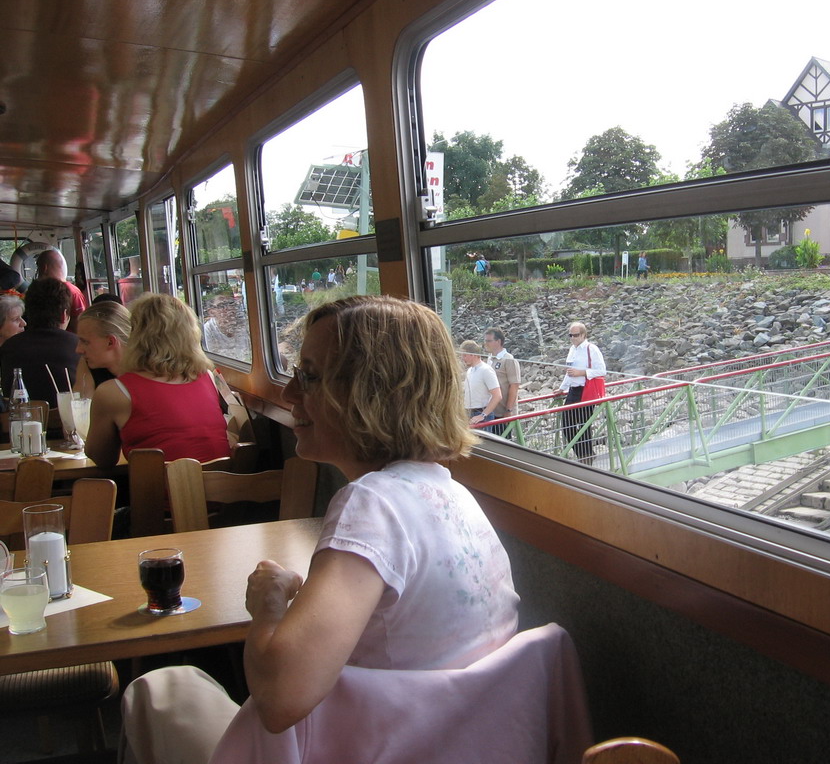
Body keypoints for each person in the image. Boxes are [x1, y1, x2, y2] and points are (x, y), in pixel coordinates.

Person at [120, 295, 519, 763]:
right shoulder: (455, 495)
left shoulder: (372, 503)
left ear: (371, 393)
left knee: (159, 686)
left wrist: (267, 604)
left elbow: (278, 699)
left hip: (365, 747)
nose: (290, 394)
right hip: (442, 742)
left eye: (309, 376)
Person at [85, 293, 231, 468]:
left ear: (136, 335)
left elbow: (102, 459)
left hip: (160, 486)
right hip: (224, 484)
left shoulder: (113, 392)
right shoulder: (208, 377)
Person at [0, 278, 79, 407]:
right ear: (64, 315)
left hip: (19, 418)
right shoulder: (79, 346)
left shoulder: (8, 348)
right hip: (68, 418)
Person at [558, 321, 606, 465]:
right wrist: (561, 388)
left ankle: (586, 458)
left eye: (576, 335)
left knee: (584, 426)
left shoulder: (592, 349)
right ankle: (586, 455)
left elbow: (602, 371)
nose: (573, 338)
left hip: (586, 390)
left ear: (584, 335)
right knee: (567, 425)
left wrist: (582, 372)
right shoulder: (572, 350)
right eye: (570, 335)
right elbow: (569, 372)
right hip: (573, 390)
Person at [73, 300, 131, 399]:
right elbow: (82, 404)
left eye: (85, 342)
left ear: (110, 342)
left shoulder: (146, 370)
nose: (78, 350)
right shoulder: (88, 364)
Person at [34, 246, 87, 332]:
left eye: (38, 267)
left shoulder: (37, 291)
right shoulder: (74, 292)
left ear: (44, 268)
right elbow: (79, 325)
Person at [483, 327, 521, 435]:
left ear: (498, 341)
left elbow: (514, 386)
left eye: (489, 341)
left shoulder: (509, 360)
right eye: (485, 341)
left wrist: (509, 410)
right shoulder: (490, 358)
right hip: (491, 411)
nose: (486, 344)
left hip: (502, 412)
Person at [459, 339, 501, 425]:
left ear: (473, 355)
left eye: (464, 355)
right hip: (469, 414)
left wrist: (483, 415)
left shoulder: (486, 370)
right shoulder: (470, 371)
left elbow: (497, 395)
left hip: (481, 415)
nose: (462, 358)